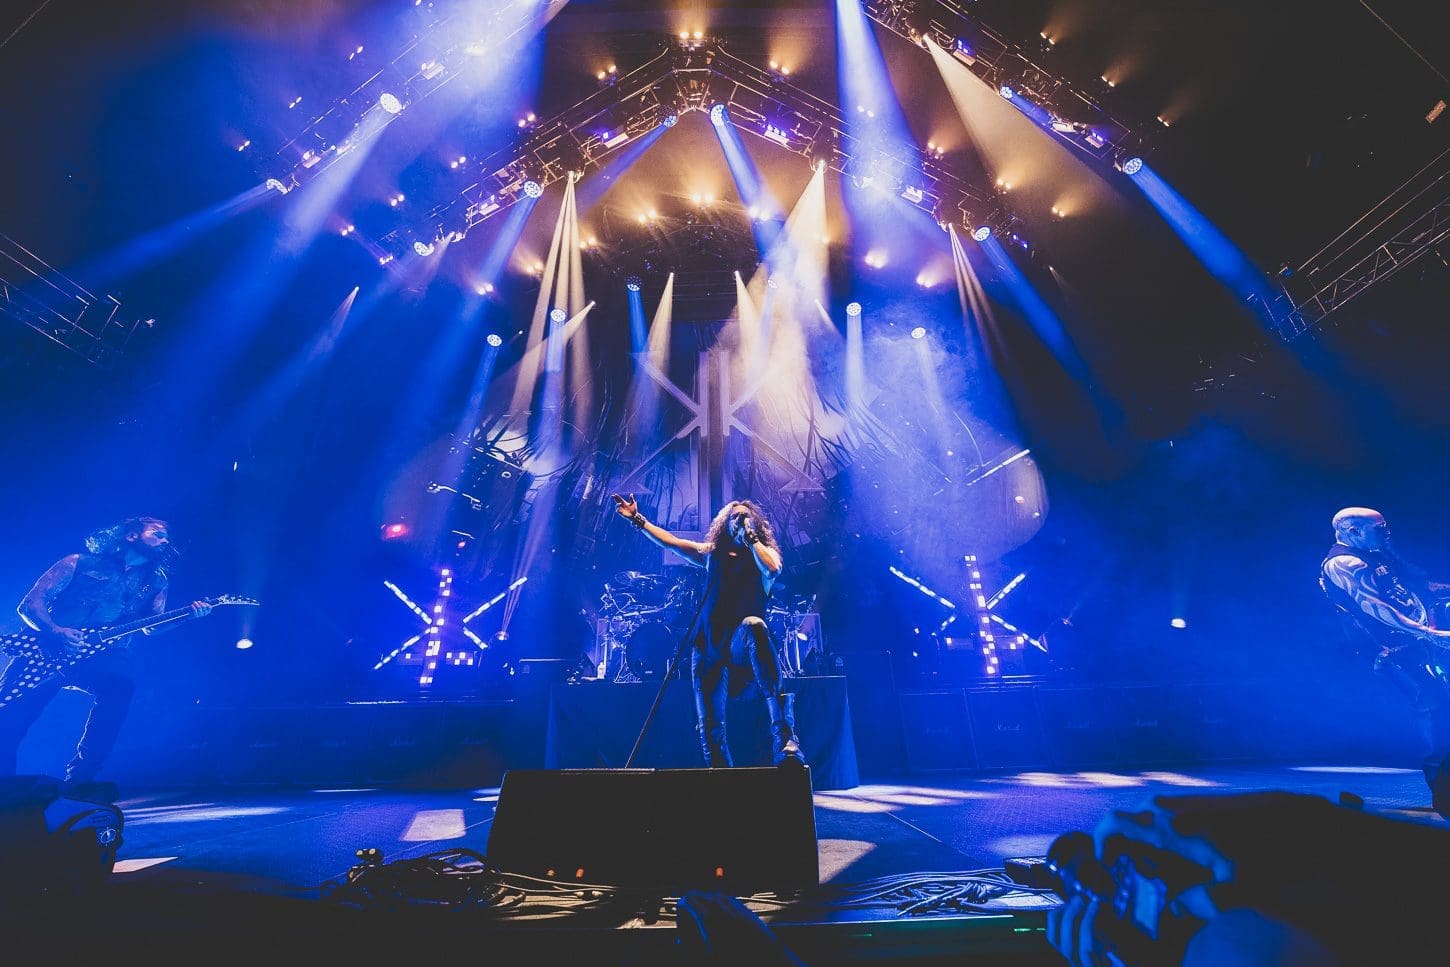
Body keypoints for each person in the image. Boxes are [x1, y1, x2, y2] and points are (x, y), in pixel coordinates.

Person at [0, 516, 211, 793]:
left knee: (120, 685)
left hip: (101, 654)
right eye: (158, 534)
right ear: (132, 535)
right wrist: (56, 631)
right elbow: (30, 605)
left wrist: (187, 616)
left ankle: (81, 780)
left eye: (167, 538)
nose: (165, 541)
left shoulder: (156, 582)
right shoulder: (78, 562)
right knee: (9, 718)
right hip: (47, 648)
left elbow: (151, 627)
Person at [611, 493, 804, 768]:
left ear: (755, 523)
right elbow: (672, 542)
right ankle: (722, 782)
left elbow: (772, 569)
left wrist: (751, 538)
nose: (739, 519)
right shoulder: (713, 555)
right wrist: (637, 519)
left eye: (744, 516)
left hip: (741, 647)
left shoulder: (765, 555)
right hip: (708, 648)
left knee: (753, 624)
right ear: (725, 524)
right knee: (711, 729)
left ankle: (784, 738)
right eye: (734, 516)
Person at [1318, 506, 1450, 815]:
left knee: (1442, 710)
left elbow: (1409, 589)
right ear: (1353, 531)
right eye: (1379, 528)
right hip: (1389, 652)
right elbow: (1374, 606)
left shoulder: (1375, 556)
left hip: (1412, 645)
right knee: (1434, 711)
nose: (1386, 533)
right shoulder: (1344, 563)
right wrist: (1427, 633)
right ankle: (1445, 798)